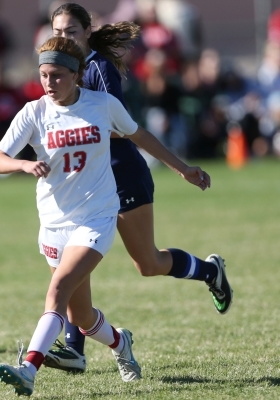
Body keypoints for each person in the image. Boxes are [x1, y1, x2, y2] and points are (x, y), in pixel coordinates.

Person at [0, 35, 213, 397]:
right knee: (81, 316)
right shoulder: (34, 112)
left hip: (97, 217)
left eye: (58, 75)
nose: (49, 83)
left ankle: (28, 369)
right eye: (44, 75)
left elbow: (140, 136)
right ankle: (120, 343)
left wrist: (183, 168)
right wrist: (23, 164)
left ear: (77, 74)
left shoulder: (102, 105)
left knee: (58, 291)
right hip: (53, 224)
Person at [42, 3, 233, 374]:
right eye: (58, 32)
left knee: (148, 263)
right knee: (71, 261)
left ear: (87, 31)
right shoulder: (56, 72)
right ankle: (73, 349)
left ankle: (210, 273)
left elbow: (121, 126)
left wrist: (182, 169)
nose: (64, 39)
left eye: (71, 32)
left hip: (121, 174)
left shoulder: (98, 68)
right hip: (84, 183)